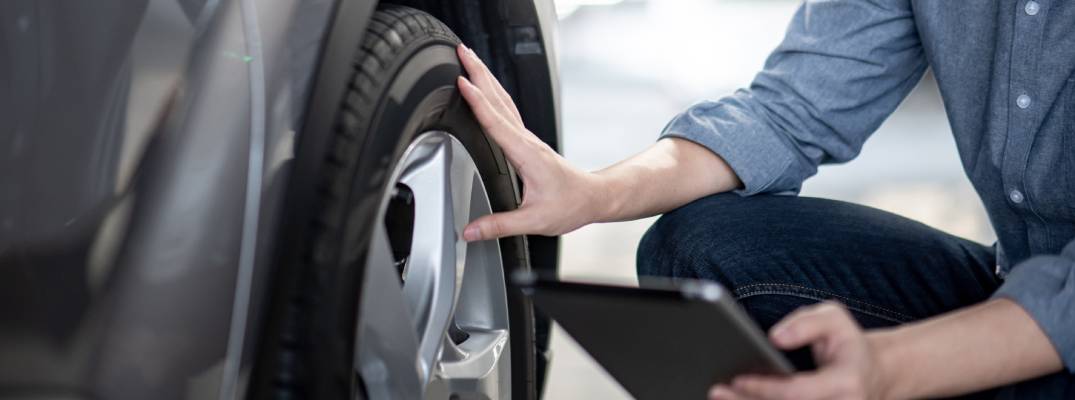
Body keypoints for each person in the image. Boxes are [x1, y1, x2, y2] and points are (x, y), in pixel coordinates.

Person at [453, 0, 1075, 398]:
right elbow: (789, 111)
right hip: (1012, 282)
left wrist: (891, 370)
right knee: (701, 247)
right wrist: (592, 192)